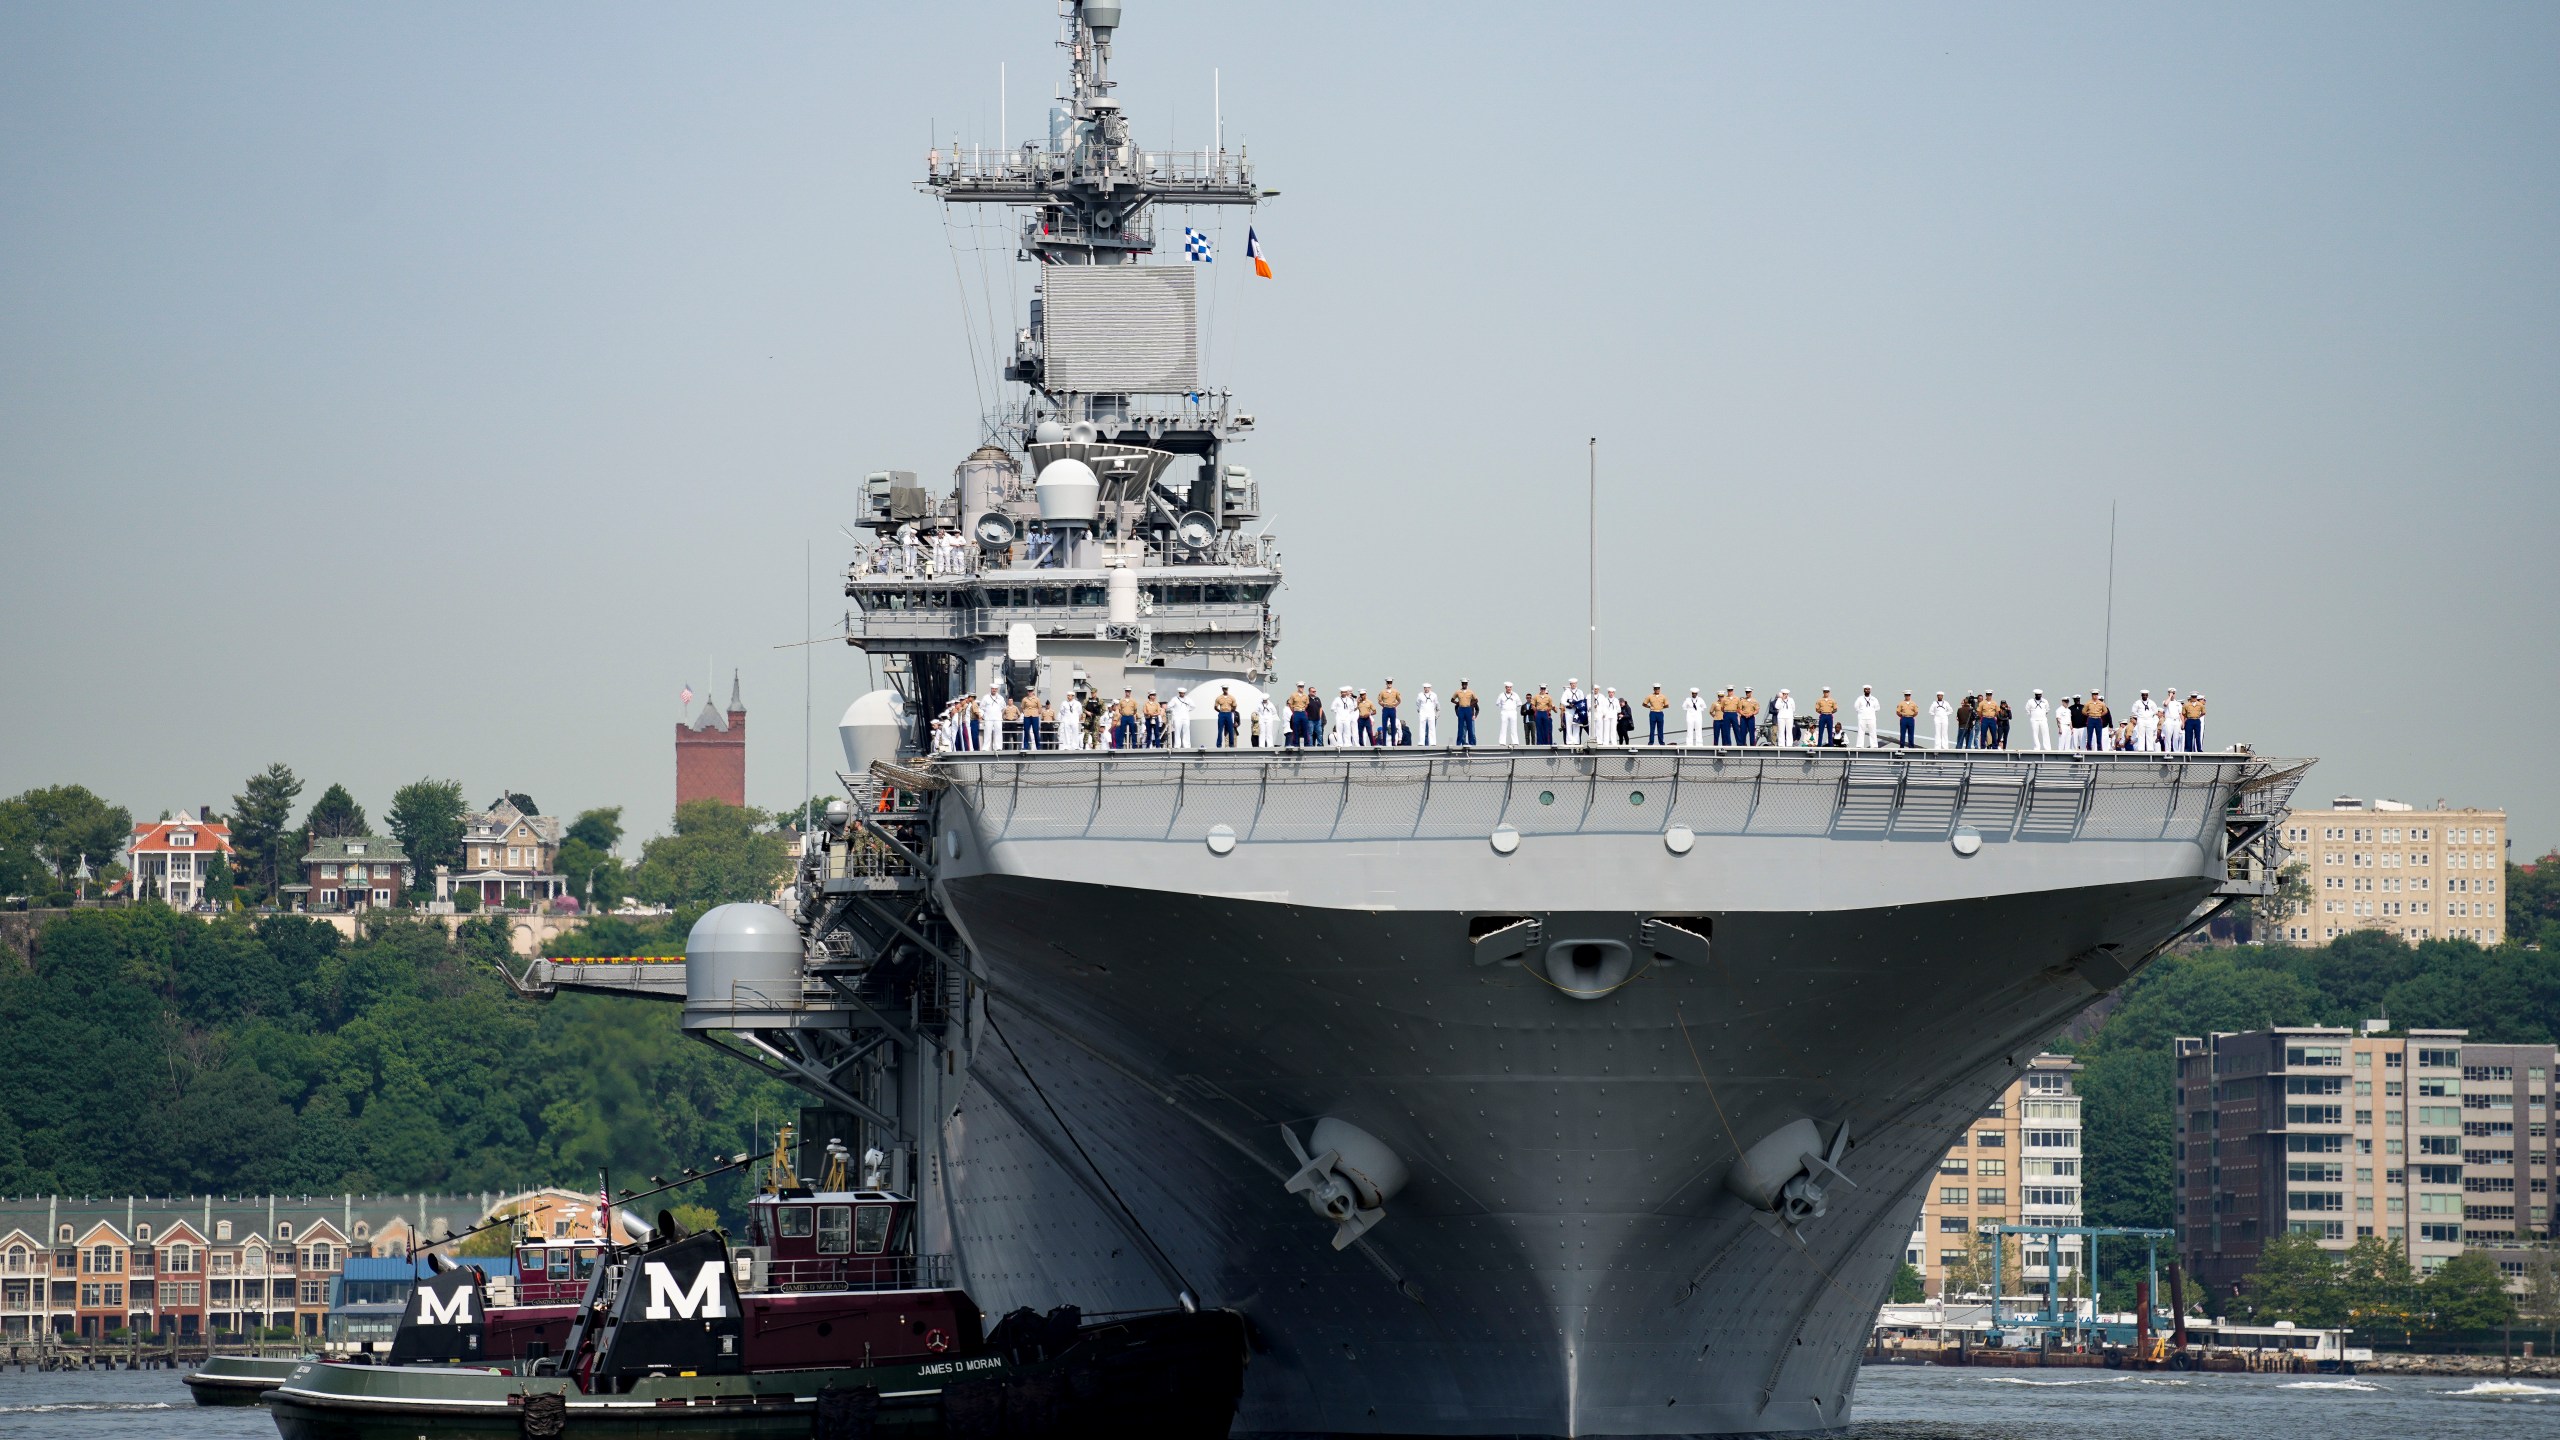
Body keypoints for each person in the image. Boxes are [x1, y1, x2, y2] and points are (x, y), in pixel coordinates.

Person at [1453, 680, 1480, 747]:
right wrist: (1457, 705)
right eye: (1463, 684)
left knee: (1470, 728)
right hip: (1461, 709)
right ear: (1461, 684)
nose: (1464, 685)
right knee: (1460, 728)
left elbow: (1476, 700)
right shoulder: (1458, 692)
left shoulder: (1470, 692)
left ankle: (1472, 743)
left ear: (1467, 684)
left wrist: (1470, 705)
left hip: (1468, 709)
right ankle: (1459, 743)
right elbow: (1452, 700)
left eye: (1465, 684)